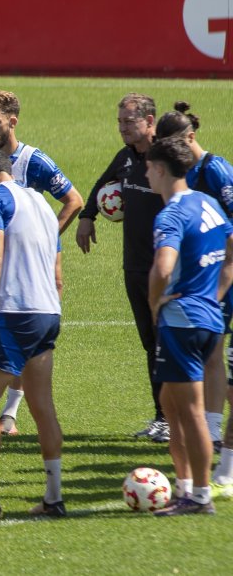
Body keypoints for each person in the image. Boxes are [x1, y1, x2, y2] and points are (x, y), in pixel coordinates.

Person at [0, 90, 83, 437]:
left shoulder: (34, 161)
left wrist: (47, 242)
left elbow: (74, 200)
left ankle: (6, 415)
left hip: (28, 269)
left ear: (13, 121)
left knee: (15, 337)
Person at [0, 149, 66, 520]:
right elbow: (56, 262)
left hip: (13, 311)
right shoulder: (41, 203)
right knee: (43, 405)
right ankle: (54, 497)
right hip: (47, 311)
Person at [144, 136, 232, 516]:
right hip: (209, 317)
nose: (146, 174)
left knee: (191, 410)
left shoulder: (172, 214)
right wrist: (215, 293)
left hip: (182, 322)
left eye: (148, 168)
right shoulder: (208, 203)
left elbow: (164, 267)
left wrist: (155, 303)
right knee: (171, 403)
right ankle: (184, 486)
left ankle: (199, 495)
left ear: (161, 169)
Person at [76, 93, 168, 442]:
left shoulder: (166, 158)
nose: (122, 128)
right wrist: (87, 217)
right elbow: (100, 185)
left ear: (150, 121)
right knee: (150, 343)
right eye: (120, 122)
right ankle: (162, 417)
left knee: (169, 343)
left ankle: (186, 419)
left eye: (129, 122)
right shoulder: (126, 158)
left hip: (167, 267)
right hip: (135, 266)